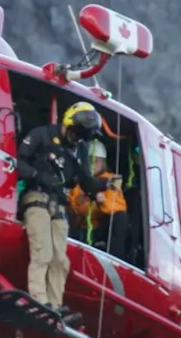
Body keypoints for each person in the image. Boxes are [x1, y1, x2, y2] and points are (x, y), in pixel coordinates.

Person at [16, 101, 111, 325]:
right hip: (36, 199)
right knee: (43, 253)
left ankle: (55, 306)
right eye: (77, 133)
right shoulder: (42, 135)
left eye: (83, 136)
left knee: (61, 260)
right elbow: (17, 162)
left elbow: (86, 182)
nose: (77, 139)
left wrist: (104, 185)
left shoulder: (80, 149)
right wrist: (39, 175)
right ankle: (39, 300)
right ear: (68, 122)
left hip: (59, 207)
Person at [67, 139, 129, 259]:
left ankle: (115, 258)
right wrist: (77, 203)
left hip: (99, 229)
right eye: (90, 160)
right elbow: (69, 202)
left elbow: (118, 207)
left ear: (103, 162)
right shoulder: (79, 181)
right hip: (79, 228)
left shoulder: (111, 181)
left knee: (120, 218)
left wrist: (103, 201)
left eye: (97, 161)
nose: (93, 164)